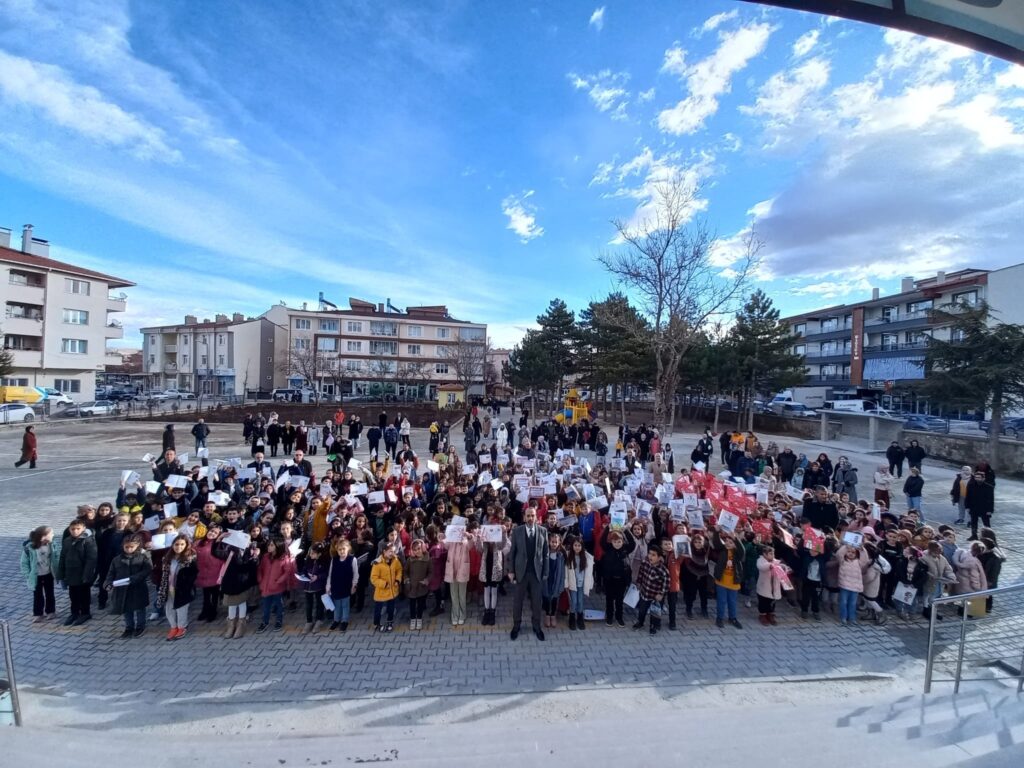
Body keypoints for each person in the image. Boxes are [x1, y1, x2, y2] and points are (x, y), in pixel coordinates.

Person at [509, 507, 550, 641]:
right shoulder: (517, 531)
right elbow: (512, 553)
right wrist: (511, 571)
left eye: (533, 515)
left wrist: (545, 571)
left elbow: (546, 553)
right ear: (524, 517)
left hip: (536, 573)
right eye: (528, 516)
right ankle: (516, 626)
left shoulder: (543, 531)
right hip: (521, 572)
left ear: (536, 517)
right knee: (517, 602)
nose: (530, 518)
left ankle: (536, 626)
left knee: (537, 602)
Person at [104, 534, 152, 637]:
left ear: (137, 546)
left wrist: (135, 578)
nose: (129, 549)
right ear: (123, 546)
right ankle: (129, 627)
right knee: (126, 609)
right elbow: (111, 573)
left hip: (138, 588)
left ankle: (140, 626)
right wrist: (107, 583)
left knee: (139, 608)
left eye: (132, 547)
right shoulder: (117, 559)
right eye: (127, 547)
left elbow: (147, 570)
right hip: (122, 589)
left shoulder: (143, 557)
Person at [55, 518, 97, 626]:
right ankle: (74, 613)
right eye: (73, 529)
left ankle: (85, 613)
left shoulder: (88, 541)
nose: (75, 531)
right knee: (73, 595)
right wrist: (60, 573)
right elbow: (62, 557)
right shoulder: (67, 541)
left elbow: (91, 559)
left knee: (84, 595)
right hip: (71, 574)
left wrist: (86, 575)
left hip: (82, 573)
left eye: (78, 529)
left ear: (83, 529)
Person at [159, 534, 198, 640]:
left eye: (182, 544)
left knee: (181, 609)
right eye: (176, 544)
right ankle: (173, 627)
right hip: (169, 587)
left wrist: (186, 584)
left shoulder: (190, 558)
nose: (179, 547)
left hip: (182, 589)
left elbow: (193, 574)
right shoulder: (167, 558)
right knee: (169, 608)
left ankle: (182, 627)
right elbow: (163, 574)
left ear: (186, 545)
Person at [20, 525, 60, 622]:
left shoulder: (52, 545)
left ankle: (51, 611)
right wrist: (28, 575)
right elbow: (24, 563)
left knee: (50, 593)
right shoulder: (30, 548)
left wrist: (57, 570)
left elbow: (57, 557)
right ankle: (38, 614)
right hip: (35, 576)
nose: (53, 535)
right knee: (37, 595)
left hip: (48, 574)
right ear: (43, 536)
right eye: (51, 534)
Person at [257, 537, 295, 632]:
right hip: (266, 586)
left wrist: (279, 581)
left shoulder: (283, 558)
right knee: (266, 606)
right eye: (269, 545)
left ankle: (279, 621)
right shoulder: (265, 556)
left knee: (279, 605)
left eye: (271, 545)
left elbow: (287, 571)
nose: (269, 547)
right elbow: (260, 569)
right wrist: (260, 579)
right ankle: (265, 622)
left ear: (278, 546)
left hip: (277, 587)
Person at [711, 528, 745, 629]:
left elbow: (742, 551)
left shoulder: (737, 554)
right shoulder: (722, 550)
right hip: (721, 581)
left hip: (733, 581)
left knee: (732, 601)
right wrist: (717, 531)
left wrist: (736, 539)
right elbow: (716, 542)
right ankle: (720, 618)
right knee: (721, 600)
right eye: (726, 541)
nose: (728, 543)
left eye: (731, 542)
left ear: (735, 544)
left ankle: (732, 618)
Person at [633, 546, 669, 635]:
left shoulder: (663, 570)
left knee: (655, 612)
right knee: (642, 610)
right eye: (649, 554)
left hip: (655, 596)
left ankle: (653, 626)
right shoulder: (645, 563)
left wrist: (661, 594)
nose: (650, 557)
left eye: (653, 555)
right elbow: (640, 574)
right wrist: (639, 583)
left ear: (659, 557)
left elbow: (666, 583)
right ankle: (640, 622)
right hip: (645, 593)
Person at [328, 538, 359, 631]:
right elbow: (330, 574)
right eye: (339, 550)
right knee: (337, 605)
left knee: (345, 605)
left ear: (348, 548)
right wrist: (328, 586)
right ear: (337, 550)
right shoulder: (334, 560)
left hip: (346, 586)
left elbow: (356, 574)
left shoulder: (352, 560)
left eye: (343, 549)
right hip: (336, 586)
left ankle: (344, 621)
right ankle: (336, 620)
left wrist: (354, 585)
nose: (341, 551)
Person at [370, 541, 403, 632]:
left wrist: (397, 580)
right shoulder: (377, 563)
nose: (392, 553)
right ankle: (376, 624)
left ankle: (390, 621)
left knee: (391, 608)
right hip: (381, 592)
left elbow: (399, 570)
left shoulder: (395, 560)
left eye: (393, 551)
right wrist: (384, 584)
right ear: (384, 551)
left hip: (392, 591)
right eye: (390, 551)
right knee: (378, 610)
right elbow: (374, 578)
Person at [564, 536, 593, 631]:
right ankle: (572, 618)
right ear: (572, 546)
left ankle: (580, 618)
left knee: (580, 601)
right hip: (573, 583)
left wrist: (589, 583)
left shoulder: (586, 557)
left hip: (581, 584)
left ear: (582, 546)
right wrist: (566, 584)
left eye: (579, 545)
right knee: (574, 601)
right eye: (575, 545)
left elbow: (589, 572)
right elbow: (566, 572)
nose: (577, 547)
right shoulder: (569, 556)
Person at [404, 539, 433, 631]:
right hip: (412, 587)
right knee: (412, 604)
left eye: (419, 549)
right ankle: (413, 619)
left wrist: (427, 580)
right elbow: (405, 572)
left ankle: (419, 619)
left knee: (420, 604)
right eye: (415, 549)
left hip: (422, 587)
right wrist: (407, 580)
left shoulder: (428, 559)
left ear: (423, 548)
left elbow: (431, 572)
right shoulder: (410, 560)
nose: (417, 551)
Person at [541, 532, 566, 629]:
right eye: (552, 542)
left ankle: (553, 616)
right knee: (546, 599)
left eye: (556, 542)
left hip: (556, 582)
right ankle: (547, 615)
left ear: (559, 543)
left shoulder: (561, 556)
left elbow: (562, 572)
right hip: (546, 581)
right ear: (549, 542)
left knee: (555, 599)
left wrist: (562, 584)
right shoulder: (545, 554)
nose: (554, 544)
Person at [964, 469, 995, 541]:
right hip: (973, 507)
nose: (977, 479)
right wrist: (967, 506)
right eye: (976, 477)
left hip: (984, 508)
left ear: (983, 478)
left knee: (986, 524)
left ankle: (989, 537)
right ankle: (974, 535)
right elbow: (967, 496)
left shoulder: (989, 487)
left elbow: (991, 500)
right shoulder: (971, 485)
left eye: (979, 477)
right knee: (973, 522)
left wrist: (990, 510)